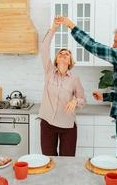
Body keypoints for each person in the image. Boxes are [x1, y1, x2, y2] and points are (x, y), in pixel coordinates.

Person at [59, 17, 117, 158]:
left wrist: (72, 26)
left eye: (116, 41)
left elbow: (93, 46)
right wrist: (106, 96)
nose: (113, 46)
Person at [38, 17, 86, 156]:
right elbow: (44, 48)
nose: (64, 55)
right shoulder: (49, 71)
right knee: (49, 159)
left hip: (68, 126)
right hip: (47, 124)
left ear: (70, 61)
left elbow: (82, 99)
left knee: (67, 162)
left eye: (67, 54)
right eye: (61, 53)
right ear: (56, 59)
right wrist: (53, 28)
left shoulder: (75, 79)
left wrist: (76, 100)